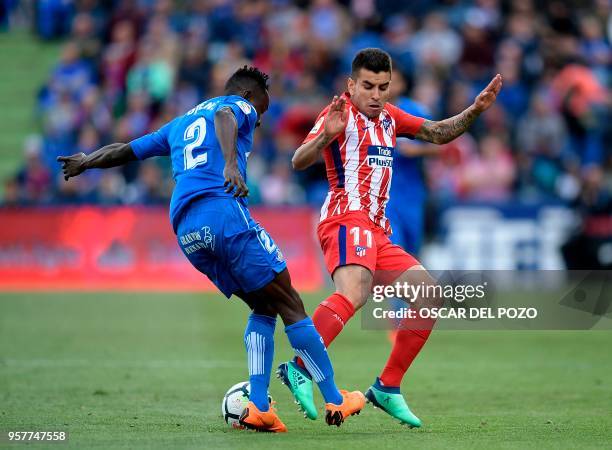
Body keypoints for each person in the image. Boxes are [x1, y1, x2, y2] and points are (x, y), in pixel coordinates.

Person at [57, 66, 365, 432]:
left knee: (263, 304)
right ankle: (334, 398)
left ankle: (260, 406)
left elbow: (127, 150)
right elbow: (225, 114)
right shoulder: (238, 105)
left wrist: (87, 161)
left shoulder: (178, 126)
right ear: (250, 96)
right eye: (262, 110)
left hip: (187, 230)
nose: (260, 120)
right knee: (290, 302)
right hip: (222, 212)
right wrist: (231, 164)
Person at [278, 49, 502, 427]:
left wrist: (475, 110)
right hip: (345, 217)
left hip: (377, 230)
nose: (376, 94)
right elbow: (298, 160)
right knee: (354, 292)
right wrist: (324, 138)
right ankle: (299, 367)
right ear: (352, 85)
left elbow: (436, 132)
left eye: (383, 86)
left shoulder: (389, 117)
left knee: (428, 295)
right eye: (368, 86)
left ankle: (387, 387)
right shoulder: (340, 113)